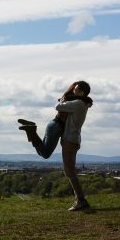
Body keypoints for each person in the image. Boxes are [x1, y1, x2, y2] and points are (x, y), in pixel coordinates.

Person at [17, 80, 93, 211]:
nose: (73, 90)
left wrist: (64, 99)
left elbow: (59, 107)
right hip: (71, 139)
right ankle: (80, 200)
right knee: (68, 170)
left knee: (69, 171)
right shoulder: (81, 103)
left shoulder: (79, 103)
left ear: (81, 91)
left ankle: (81, 200)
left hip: (71, 140)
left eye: (76, 89)